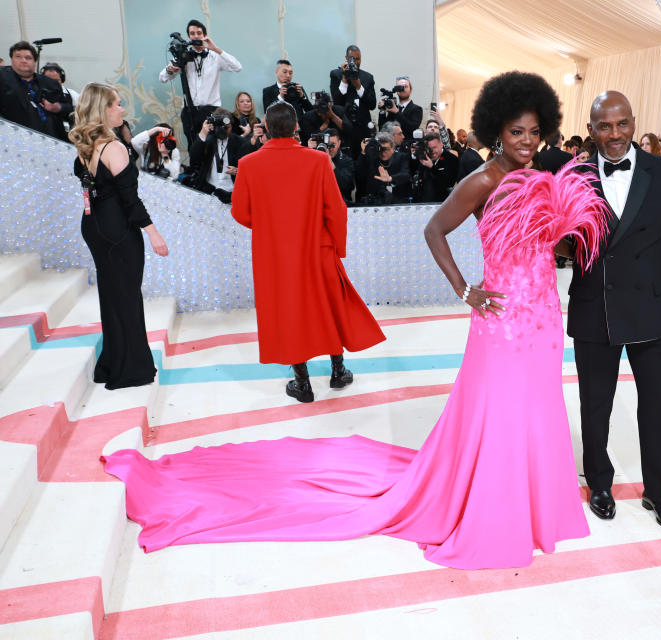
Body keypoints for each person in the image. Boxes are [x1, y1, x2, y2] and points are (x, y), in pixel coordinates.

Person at [101, 72, 607, 570]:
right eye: (516, 131)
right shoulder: (482, 180)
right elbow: (434, 229)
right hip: (499, 318)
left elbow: (551, 246)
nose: (526, 141)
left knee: (540, 403)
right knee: (497, 409)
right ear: (496, 130)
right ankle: (496, 505)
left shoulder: (543, 179)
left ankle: (539, 503)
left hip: (542, 313)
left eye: (535, 132)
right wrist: (464, 289)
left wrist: (570, 234)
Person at [561, 91, 661, 532]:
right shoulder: (572, 174)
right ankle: (601, 484)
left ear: (634, 123)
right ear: (591, 129)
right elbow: (561, 238)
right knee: (596, 405)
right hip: (597, 306)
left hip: (652, 305)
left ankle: (658, 491)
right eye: (604, 126)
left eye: (622, 124)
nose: (614, 135)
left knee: (657, 407)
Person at [230, 101, 384, 401]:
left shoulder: (249, 164)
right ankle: (338, 371)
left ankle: (302, 383)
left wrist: (270, 228)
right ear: (296, 126)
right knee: (327, 306)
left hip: (274, 254)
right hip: (318, 248)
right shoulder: (317, 161)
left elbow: (240, 213)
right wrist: (337, 247)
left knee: (288, 311)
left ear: (265, 127)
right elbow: (336, 210)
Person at [68, 82, 169, 388]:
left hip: (94, 226)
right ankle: (130, 369)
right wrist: (154, 233)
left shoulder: (86, 144)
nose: (122, 109)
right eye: (117, 104)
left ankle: (114, 362)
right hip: (117, 228)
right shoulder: (113, 147)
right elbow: (130, 200)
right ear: (103, 109)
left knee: (112, 296)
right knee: (126, 297)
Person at [159, 20, 242, 148]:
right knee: (193, 148)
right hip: (189, 112)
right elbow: (162, 78)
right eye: (192, 33)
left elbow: (237, 67)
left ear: (204, 36)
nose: (196, 36)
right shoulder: (183, 56)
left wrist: (216, 49)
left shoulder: (215, 57)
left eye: (199, 33)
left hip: (211, 111)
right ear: (188, 37)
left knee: (212, 148)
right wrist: (170, 70)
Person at [0, 41, 70, 140]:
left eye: (28, 58)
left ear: (34, 61)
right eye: (18, 57)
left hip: (54, 141)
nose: (23, 60)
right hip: (16, 141)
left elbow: (69, 108)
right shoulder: (3, 78)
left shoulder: (51, 83)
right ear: (11, 60)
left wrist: (57, 107)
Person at [186, 108, 251, 203]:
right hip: (209, 190)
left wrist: (239, 171)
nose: (222, 130)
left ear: (232, 126)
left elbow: (250, 169)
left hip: (232, 192)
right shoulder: (207, 140)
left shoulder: (240, 143)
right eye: (219, 127)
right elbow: (194, 161)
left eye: (226, 127)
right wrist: (203, 133)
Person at [329, 45, 375, 158]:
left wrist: (359, 86)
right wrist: (344, 79)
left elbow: (372, 104)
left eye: (358, 59)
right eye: (352, 59)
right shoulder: (336, 74)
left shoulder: (368, 77)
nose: (355, 62)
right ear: (346, 58)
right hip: (343, 125)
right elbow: (337, 102)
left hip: (362, 128)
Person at [360, 131, 411, 204]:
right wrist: (364, 152)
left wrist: (391, 178)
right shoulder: (374, 160)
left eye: (386, 149)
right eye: (381, 149)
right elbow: (361, 176)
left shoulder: (401, 157)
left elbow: (406, 175)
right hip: (378, 202)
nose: (383, 153)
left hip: (399, 200)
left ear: (393, 147)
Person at [307, 127, 354, 203]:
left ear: (339, 143)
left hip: (340, 202)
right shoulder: (316, 158)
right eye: (327, 144)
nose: (330, 148)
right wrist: (310, 152)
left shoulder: (347, 161)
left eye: (333, 145)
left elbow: (347, 186)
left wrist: (329, 161)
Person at [262, 59, 312, 127]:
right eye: (285, 72)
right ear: (276, 72)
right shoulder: (268, 91)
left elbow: (310, 110)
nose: (288, 75)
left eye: (290, 73)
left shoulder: (297, 88)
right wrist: (280, 98)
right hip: (279, 129)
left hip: (299, 129)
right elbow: (268, 114)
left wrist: (302, 96)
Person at [413, 132, 459, 202]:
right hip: (424, 203)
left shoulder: (451, 159)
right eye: (429, 148)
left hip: (443, 203)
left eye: (434, 147)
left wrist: (432, 167)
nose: (432, 151)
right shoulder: (425, 158)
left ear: (441, 145)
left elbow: (448, 183)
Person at [377, 75, 422, 140]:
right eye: (400, 87)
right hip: (392, 146)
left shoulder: (416, 109)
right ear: (396, 91)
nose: (403, 89)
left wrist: (397, 112)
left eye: (405, 87)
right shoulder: (393, 108)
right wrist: (382, 111)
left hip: (407, 146)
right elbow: (383, 130)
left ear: (411, 90)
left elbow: (412, 128)